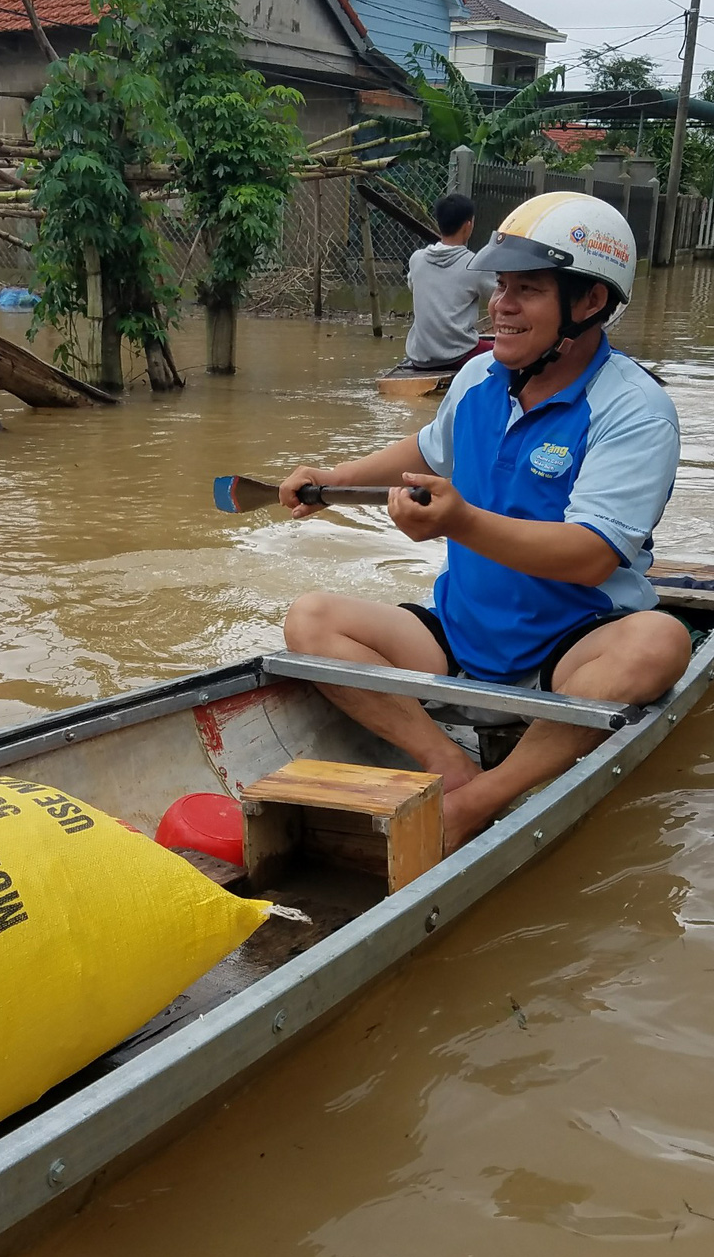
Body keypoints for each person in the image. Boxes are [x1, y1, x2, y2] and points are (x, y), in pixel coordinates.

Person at [281, 192, 689, 850]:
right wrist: (336, 477)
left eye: (527, 290)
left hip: (574, 646)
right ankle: (452, 766)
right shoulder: (478, 377)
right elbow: (424, 451)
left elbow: (590, 556)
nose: (499, 305)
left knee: (659, 644)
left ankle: (482, 803)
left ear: (588, 304)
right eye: (501, 286)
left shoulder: (633, 409)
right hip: (462, 638)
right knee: (310, 619)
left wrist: (460, 522)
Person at [403, 194, 495, 370]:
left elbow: (412, 287)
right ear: (468, 226)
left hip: (419, 356)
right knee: (506, 356)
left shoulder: (417, 259)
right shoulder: (474, 264)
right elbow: (502, 295)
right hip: (458, 355)